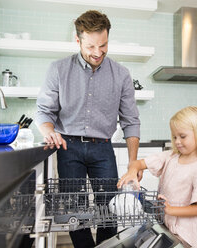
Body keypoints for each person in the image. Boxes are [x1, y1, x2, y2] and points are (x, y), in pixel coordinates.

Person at [35, 10, 140, 247]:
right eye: (91, 46)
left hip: (103, 149)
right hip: (67, 147)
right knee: (76, 211)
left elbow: (131, 120)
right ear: (78, 40)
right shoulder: (58, 69)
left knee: (109, 210)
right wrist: (48, 130)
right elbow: (44, 111)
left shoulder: (121, 74)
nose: (97, 52)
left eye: (103, 45)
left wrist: (133, 163)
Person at [118, 106, 197, 248]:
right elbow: (138, 163)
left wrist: (170, 210)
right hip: (169, 227)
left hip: (188, 234)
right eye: (174, 136)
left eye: (182, 136)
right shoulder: (170, 157)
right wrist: (133, 171)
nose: (177, 142)